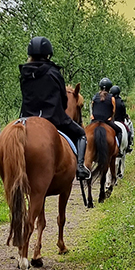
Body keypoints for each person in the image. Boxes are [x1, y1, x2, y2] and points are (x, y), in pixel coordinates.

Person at [19, 36, 90, 180]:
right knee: (81, 134)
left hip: (26, 118)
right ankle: (80, 167)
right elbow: (63, 100)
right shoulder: (54, 73)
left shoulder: (24, 73)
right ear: (48, 54)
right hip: (53, 118)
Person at [91, 78, 125, 143]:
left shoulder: (95, 97)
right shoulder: (112, 98)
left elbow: (93, 108)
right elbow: (113, 111)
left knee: (85, 133)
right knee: (119, 131)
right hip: (106, 121)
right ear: (109, 88)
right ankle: (118, 151)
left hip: (94, 120)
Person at [109, 85, 133, 152]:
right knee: (128, 131)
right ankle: (128, 146)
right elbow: (123, 113)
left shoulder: (110, 101)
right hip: (120, 120)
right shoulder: (121, 102)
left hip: (111, 121)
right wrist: (126, 116)